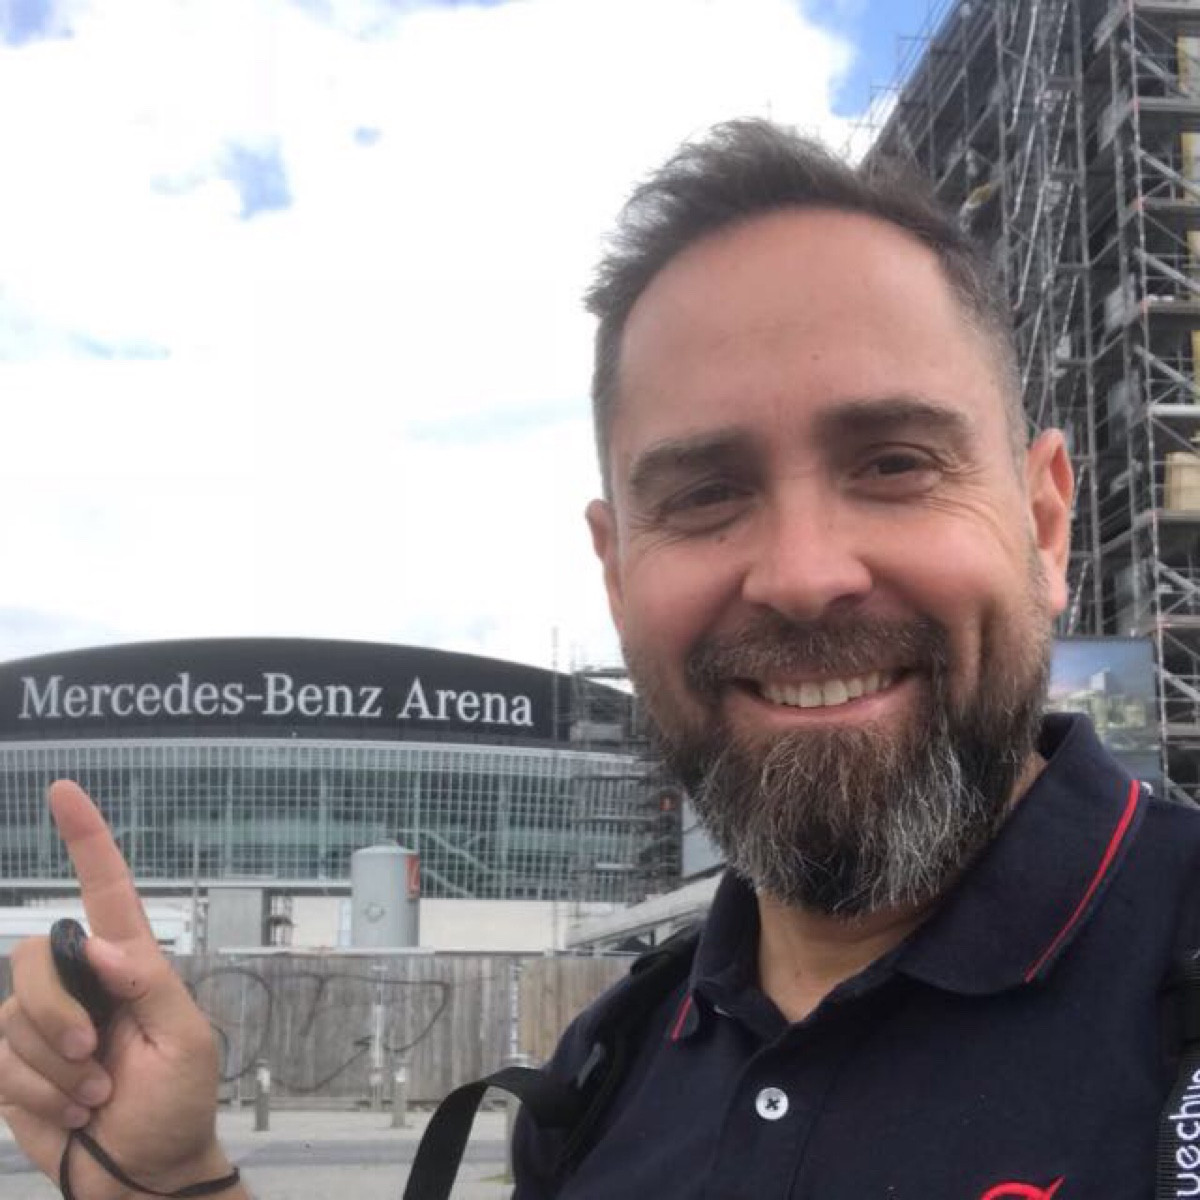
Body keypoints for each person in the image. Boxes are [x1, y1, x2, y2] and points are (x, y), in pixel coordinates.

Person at [1, 117, 1197, 1200]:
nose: (802, 573)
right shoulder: (601, 1076)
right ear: (617, 576)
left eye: (894, 463)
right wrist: (171, 1185)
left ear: (1045, 524)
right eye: (707, 492)